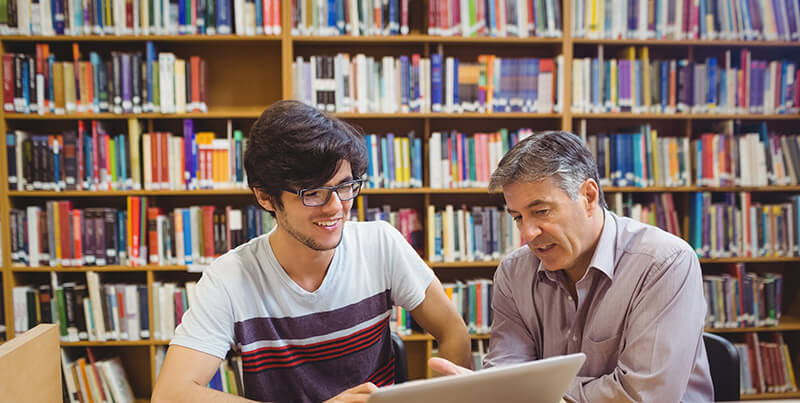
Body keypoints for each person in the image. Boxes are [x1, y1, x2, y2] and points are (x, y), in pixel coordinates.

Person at [152, 100, 471, 403]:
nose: (336, 208)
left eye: (345, 187)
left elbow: (453, 331)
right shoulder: (230, 278)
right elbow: (170, 394)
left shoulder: (380, 244)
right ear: (265, 197)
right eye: (314, 193)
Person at [429, 131, 713, 402]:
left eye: (541, 212)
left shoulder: (664, 263)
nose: (528, 233)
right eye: (517, 217)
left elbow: (644, 397)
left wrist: (534, 393)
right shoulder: (514, 273)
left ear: (588, 196)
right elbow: (506, 378)